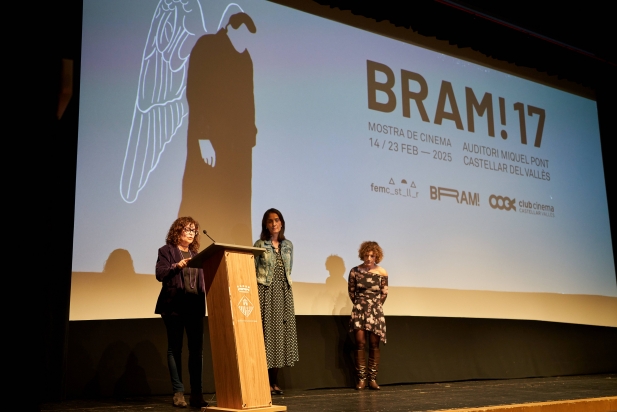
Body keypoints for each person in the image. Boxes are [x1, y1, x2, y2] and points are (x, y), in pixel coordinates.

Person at [155, 217, 208, 408]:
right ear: (177, 230)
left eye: (194, 230)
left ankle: (197, 394)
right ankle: (178, 392)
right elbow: (160, 274)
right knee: (175, 349)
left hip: (195, 307)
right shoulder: (166, 251)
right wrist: (177, 266)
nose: (191, 232)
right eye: (187, 229)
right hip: (174, 306)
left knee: (196, 351)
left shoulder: (197, 255)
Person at [254, 208, 299, 395]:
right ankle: (264, 381)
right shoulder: (259, 244)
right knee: (266, 336)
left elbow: (289, 269)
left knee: (280, 337)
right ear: (266, 224)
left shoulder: (288, 245)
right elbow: (254, 268)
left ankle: (274, 381)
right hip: (265, 291)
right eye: (270, 220)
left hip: (283, 292)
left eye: (277, 220)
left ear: (281, 223)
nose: (274, 223)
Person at [348, 241, 388, 390]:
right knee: (360, 343)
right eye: (367, 255)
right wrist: (361, 304)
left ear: (377, 256)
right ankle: (361, 379)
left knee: (374, 344)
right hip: (359, 309)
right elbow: (351, 292)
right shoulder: (354, 271)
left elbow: (384, 293)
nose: (369, 258)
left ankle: (372, 379)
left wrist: (374, 306)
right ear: (362, 255)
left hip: (375, 311)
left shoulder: (382, 272)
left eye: (372, 256)